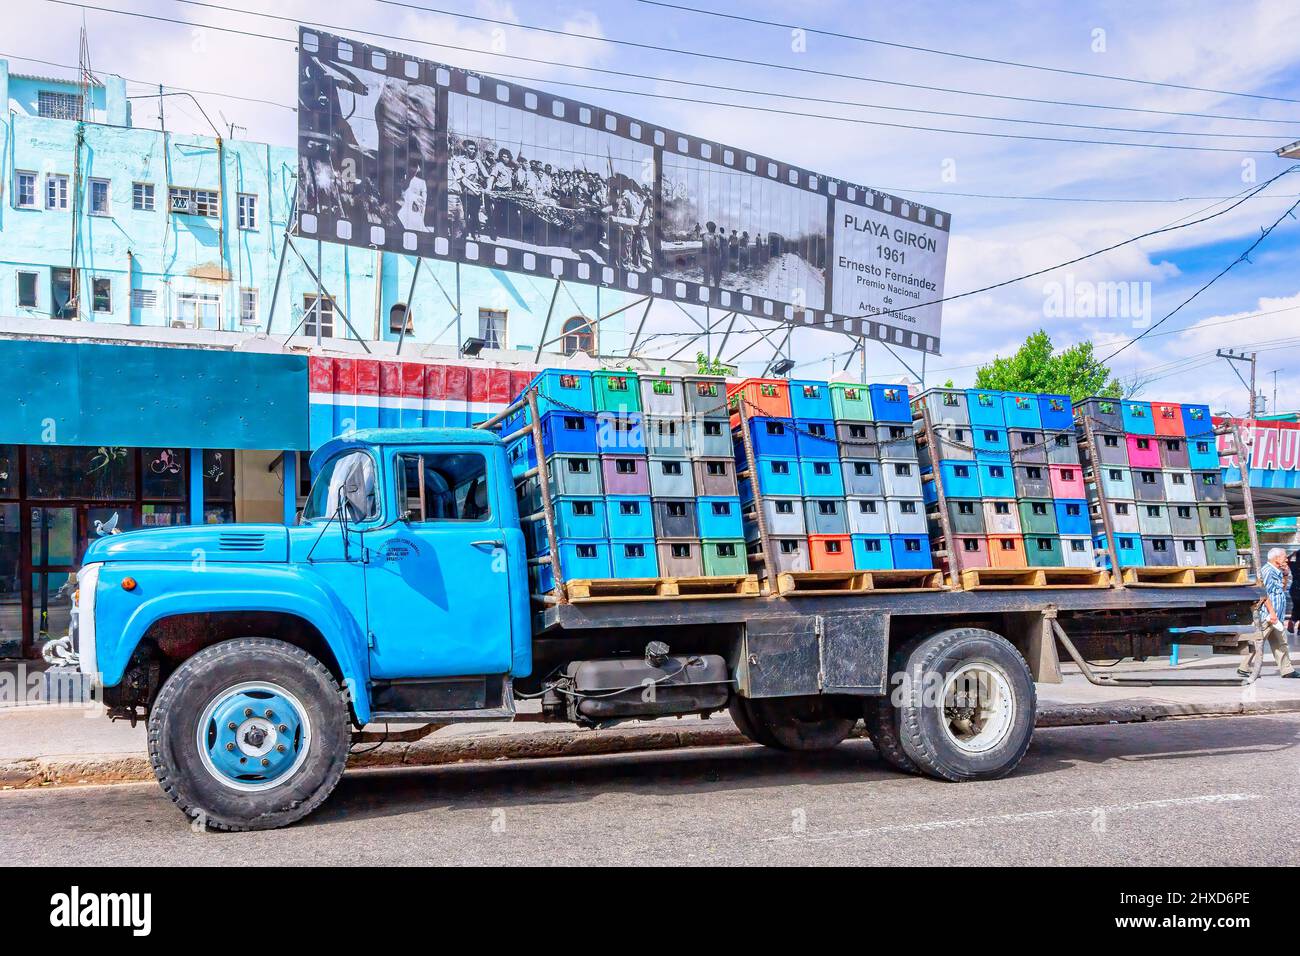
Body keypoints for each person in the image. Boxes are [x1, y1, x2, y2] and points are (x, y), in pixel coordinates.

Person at [1241, 547, 1299, 679]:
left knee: (1281, 643)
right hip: (1267, 616)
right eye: (1284, 557)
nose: (1286, 559)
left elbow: (1282, 589)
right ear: (1276, 558)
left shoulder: (1277, 571)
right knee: (1258, 641)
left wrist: (1285, 575)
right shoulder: (1267, 571)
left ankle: (1287, 670)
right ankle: (1243, 667)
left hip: (1276, 616)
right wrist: (1272, 613)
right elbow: (1263, 594)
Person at [1288, 548, 1300, 634]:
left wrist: (1293, 554)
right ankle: (1298, 627)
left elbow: (1287, 559)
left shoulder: (1294, 565)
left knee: (1296, 606)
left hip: (1294, 589)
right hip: (1296, 589)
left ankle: (1292, 621)